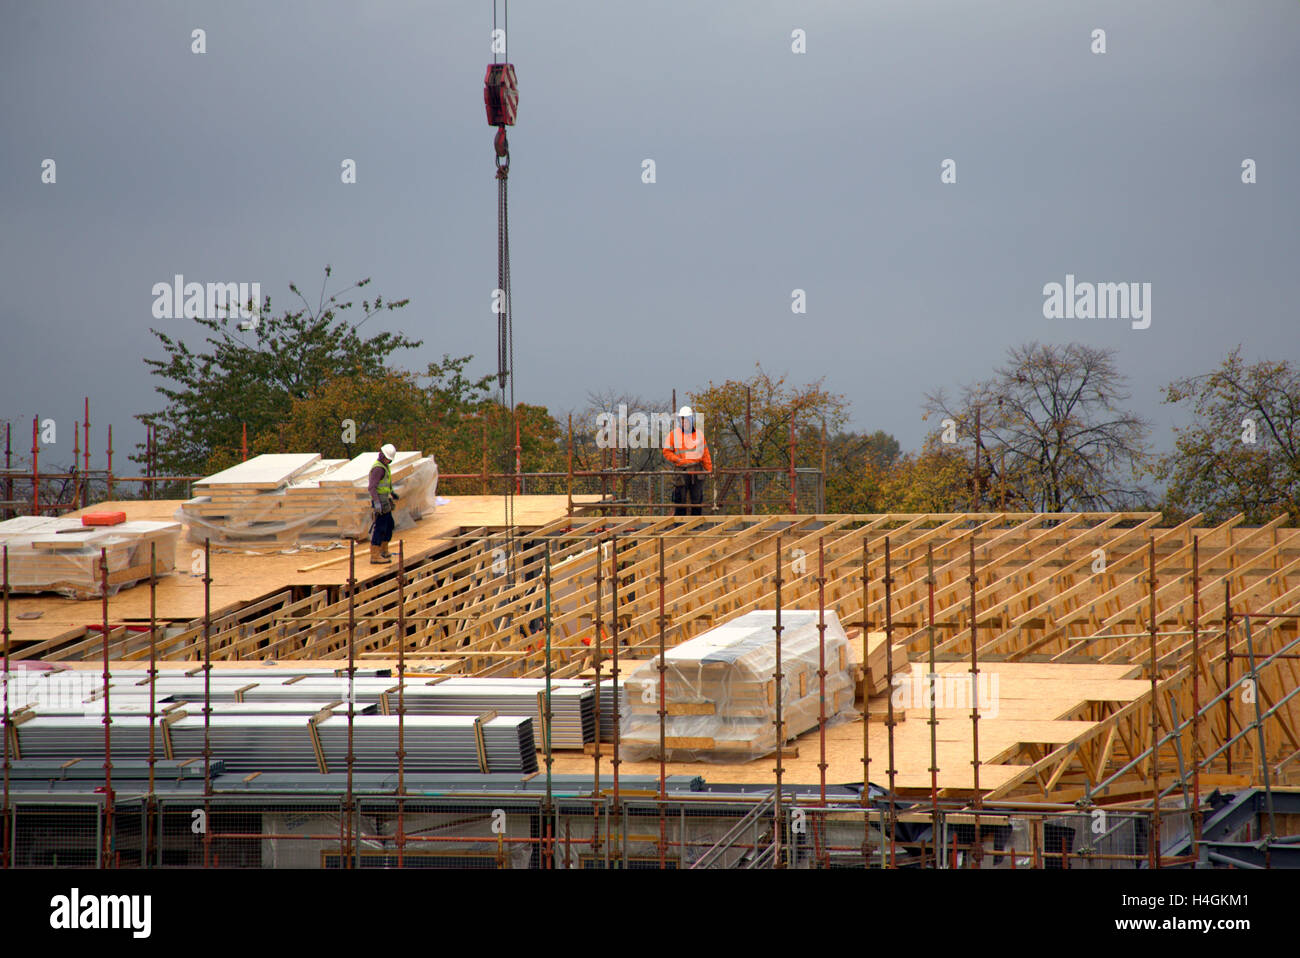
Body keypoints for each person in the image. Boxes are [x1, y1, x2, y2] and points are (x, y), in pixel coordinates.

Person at [662, 406, 712, 516]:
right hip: (682, 469)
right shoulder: (673, 434)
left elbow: (705, 454)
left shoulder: (699, 434)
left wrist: (709, 469)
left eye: (686, 419)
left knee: (697, 498)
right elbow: (666, 452)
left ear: (691, 420)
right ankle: (679, 524)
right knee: (680, 498)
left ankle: (696, 524)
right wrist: (677, 460)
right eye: (682, 419)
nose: (684, 422)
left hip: (697, 470)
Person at [368, 443, 400, 564]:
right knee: (380, 527)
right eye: (387, 458)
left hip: (384, 499)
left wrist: (392, 493)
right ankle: (375, 555)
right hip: (379, 501)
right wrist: (376, 503)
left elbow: (386, 483)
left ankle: (383, 550)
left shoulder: (384, 466)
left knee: (389, 525)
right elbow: (372, 487)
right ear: (382, 456)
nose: (388, 461)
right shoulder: (378, 468)